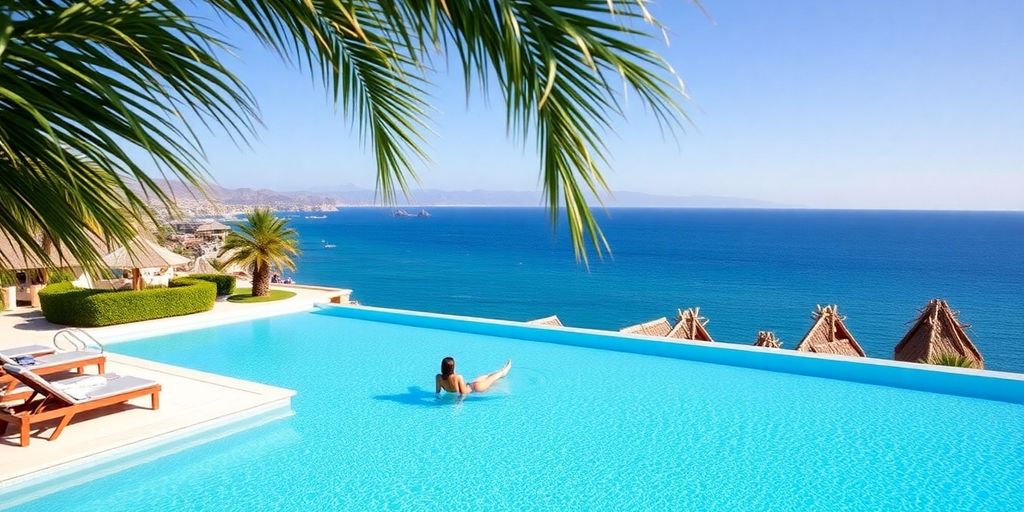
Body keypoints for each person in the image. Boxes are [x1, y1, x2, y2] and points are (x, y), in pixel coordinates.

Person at [435, 357, 511, 397]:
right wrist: (459, 403)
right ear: (453, 367)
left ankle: (503, 370)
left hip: (472, 386)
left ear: (442, 366)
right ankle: (504, 370)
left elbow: (437, 392)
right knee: (492, 377)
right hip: (475, 388)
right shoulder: (458, 377)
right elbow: (463, 393)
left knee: (488, 377)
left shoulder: (438, 377)